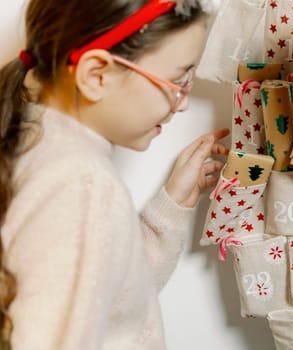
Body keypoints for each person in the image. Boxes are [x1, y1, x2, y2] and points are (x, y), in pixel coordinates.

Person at [0, 0, 229, 349]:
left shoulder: (36, 143)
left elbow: (112, 295)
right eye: (177, 81)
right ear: (97, 75)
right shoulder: (82, 184)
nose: (183, 102)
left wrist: (171, 203)